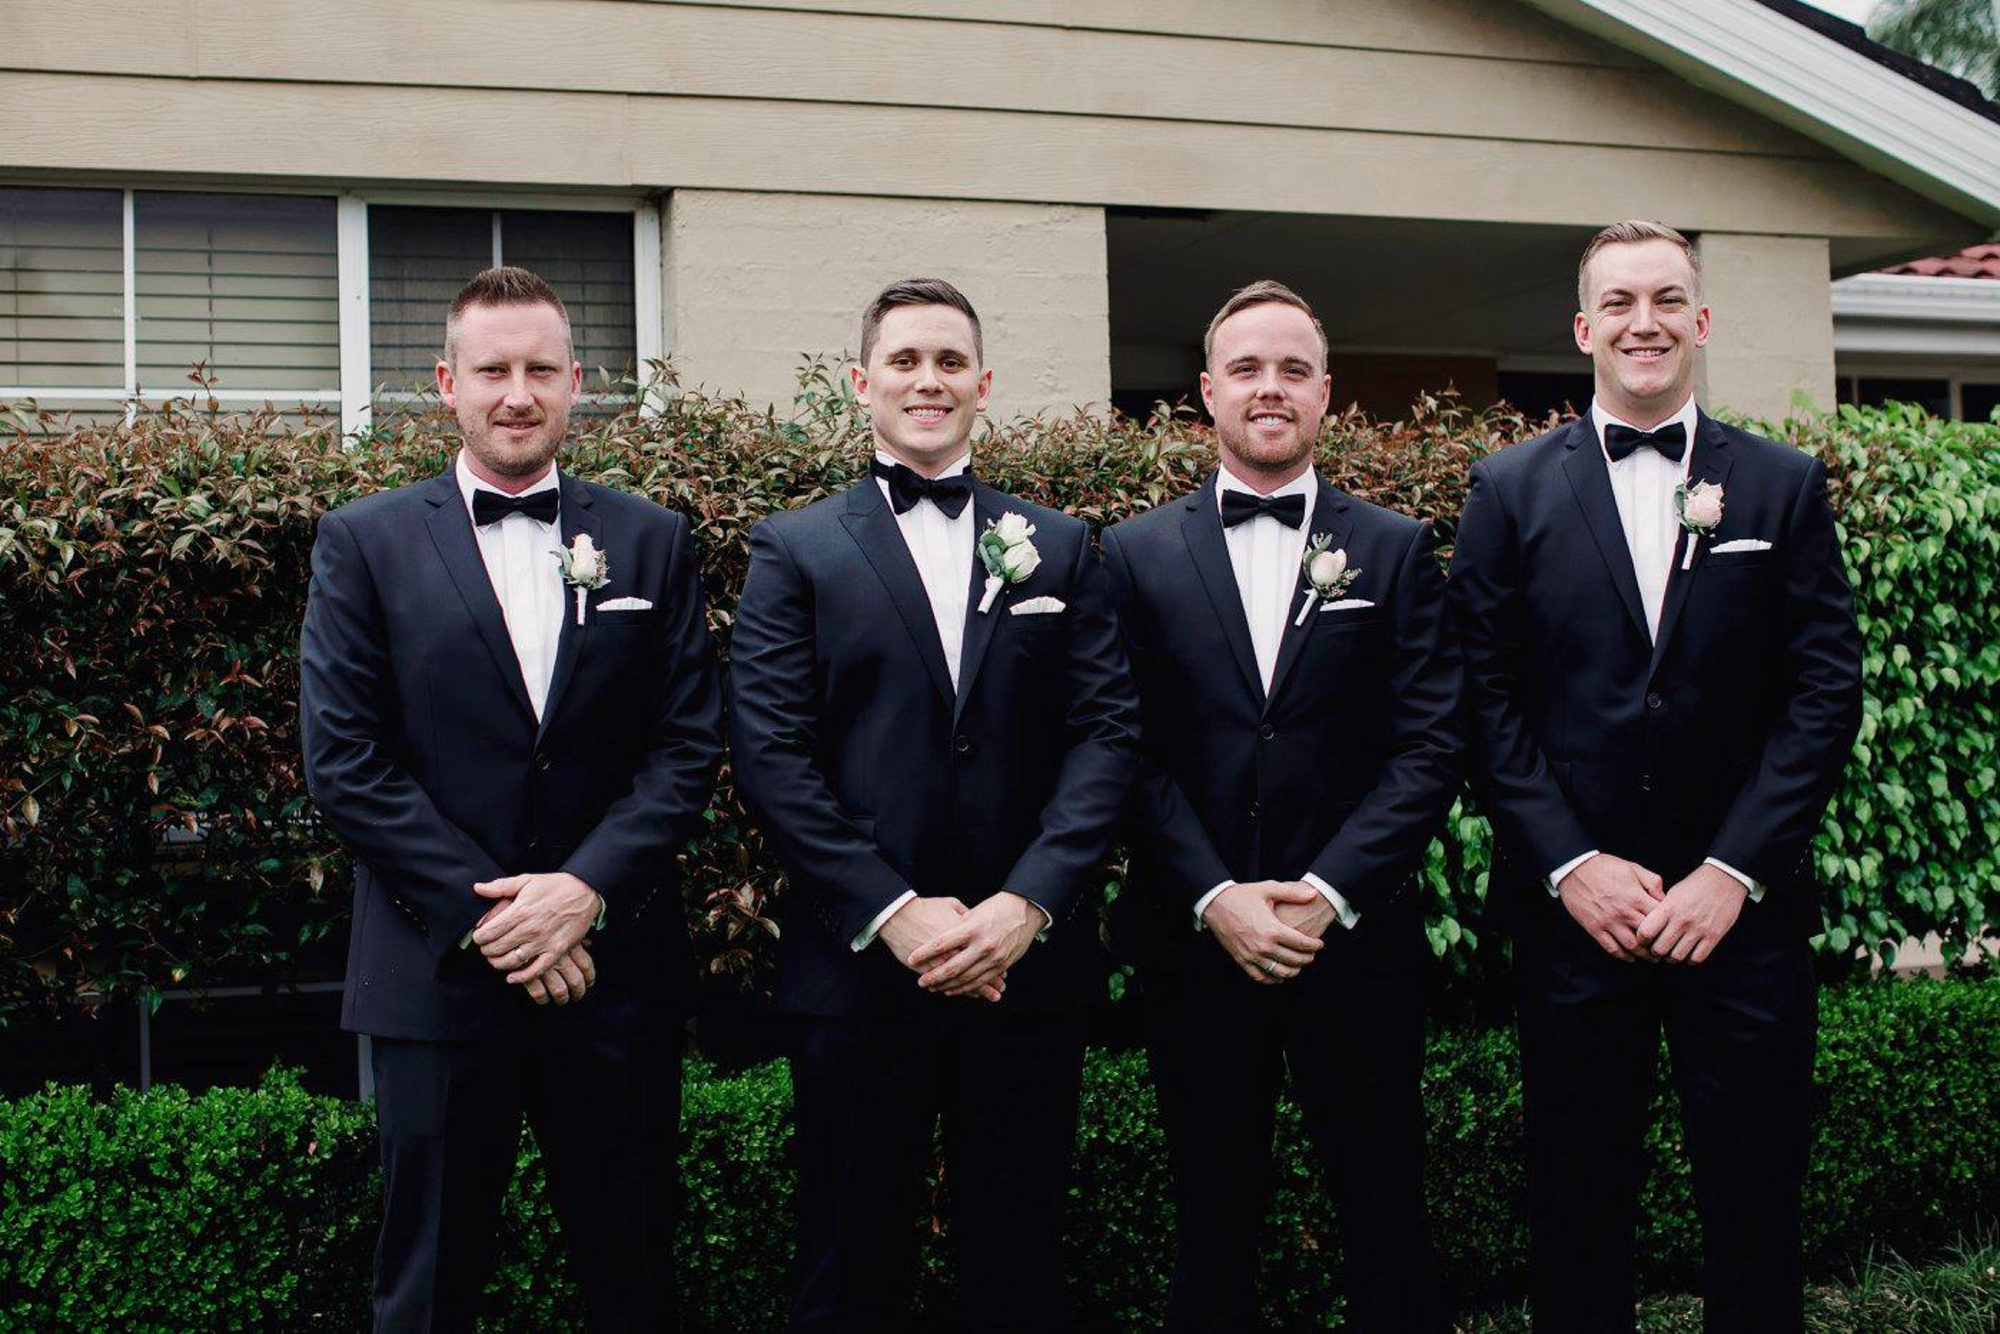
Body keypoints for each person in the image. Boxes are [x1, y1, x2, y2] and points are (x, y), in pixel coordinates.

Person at [1447, 221, 1863, 1332]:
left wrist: (1732, 869)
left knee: (1756, 1201)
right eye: (1619, 301)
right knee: (1575, 1203)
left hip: (1741, 924)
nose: (1644, 321)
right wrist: (1570, 866)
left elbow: (1822, 694)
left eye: (1666, 298)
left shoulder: (1777, 485)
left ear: (1700, 320)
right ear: (1582, 328)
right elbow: (1481, 699)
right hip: (1578, 923)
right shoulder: (1506, 488)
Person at [300, 266, 724, 1332]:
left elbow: (686, 745)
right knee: (427, 1285)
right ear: (446, 382)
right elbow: (345, 759)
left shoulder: (651, 539)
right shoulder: (365, 541)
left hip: (613, 973)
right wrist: (503, 915)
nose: (517, 393)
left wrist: (583, 889)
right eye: (492, 370)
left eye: (541, 369)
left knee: (634, 1275)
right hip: (435, 975)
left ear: (578, 383)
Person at [727, 277, 1140, 1331]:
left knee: (1021, 1256)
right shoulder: (795, 548)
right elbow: (771, 753)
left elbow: (1104, 737)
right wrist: (892, 909)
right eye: (904, 360)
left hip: (1024, 971)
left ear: (983, 385)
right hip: (859, 967)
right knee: (846, 1262)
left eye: (949, 361)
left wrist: (1026, 904)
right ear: (862, 383)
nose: (928, 379)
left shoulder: (1060, 543)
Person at [1100, 279, 1462, 1331]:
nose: (1270, 388)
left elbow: (1430, 741)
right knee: (1210, 1226)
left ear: (1325, 394)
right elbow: (1123, 746)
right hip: (1194, 943)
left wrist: (1327, 888)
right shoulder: (1131, 553)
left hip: (1352, 946)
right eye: (1247, 370)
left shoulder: (1392, 548)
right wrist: (1214, 893)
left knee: (1387, 1215)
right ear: (1205, 392)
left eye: (1292, 370)